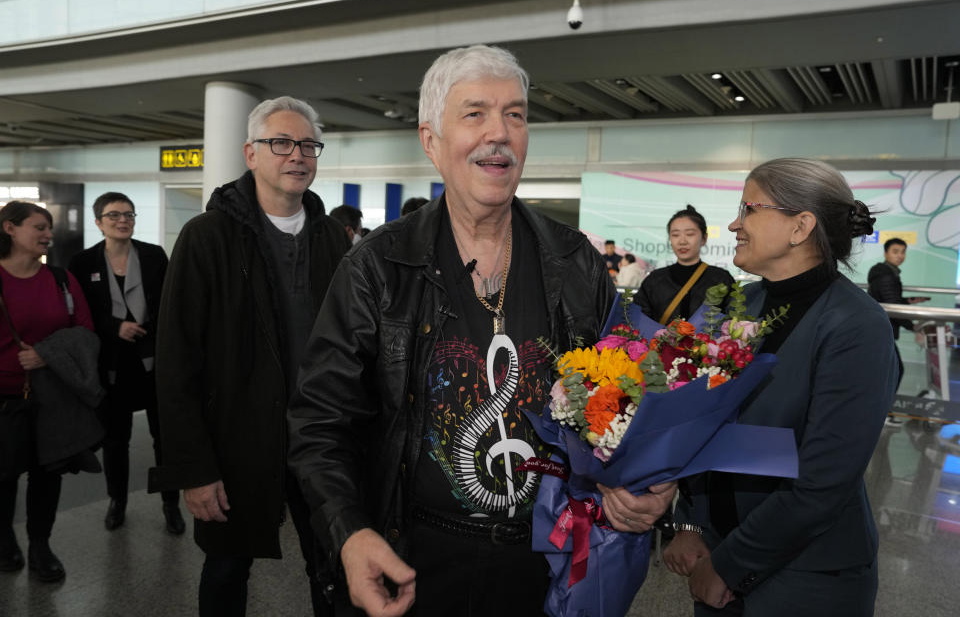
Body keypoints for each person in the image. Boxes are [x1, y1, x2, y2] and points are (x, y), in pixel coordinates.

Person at [287, 44, 676, 617]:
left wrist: (651, 483)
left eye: (515, 115)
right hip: (417, 561)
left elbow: (629, 397)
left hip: (548, 562)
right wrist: (349, 533)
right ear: (431, 141)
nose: (499, 132)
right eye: (475, 114)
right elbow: (320, 421)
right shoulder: (378, 266)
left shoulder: (575, 262)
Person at [663, 158, 898, 616]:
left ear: (800, 227)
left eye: (748, 208)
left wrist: (731, 566)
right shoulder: (737, 305)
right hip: (713, 551)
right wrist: (687, 523)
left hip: (805, 579)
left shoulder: (856, 325)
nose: (734, 224)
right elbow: (695, 426)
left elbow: (823, 482)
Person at [147, 96, 351, 616]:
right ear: (250, 154)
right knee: (226, 570)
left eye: (308, 145)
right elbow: (176, 363)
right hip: (234, 439)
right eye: (280, 143)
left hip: (320, 439)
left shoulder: (332, 238)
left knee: (334, 568)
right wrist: (192, 469)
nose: (297, 155)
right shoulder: (208, 237)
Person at [69, 192, 184, 535]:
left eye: (129, 215)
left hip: (153, 361)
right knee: (115, 440)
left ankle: (171, 504)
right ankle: (117, 501)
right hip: (112, 364)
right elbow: (82, 311)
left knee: (165, 439)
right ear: (98, 222)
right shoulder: (83, 262)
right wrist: (113, 327)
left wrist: (149, 330)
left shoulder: (152, 256)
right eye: (115, 215)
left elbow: (168, 302)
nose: (123, 220)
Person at [0, 201, 97, 583]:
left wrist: (46, 354)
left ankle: (41, 545)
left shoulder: (60, 280)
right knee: (3, 476)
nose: (47, 235)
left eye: (49, 228)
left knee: (47, 474)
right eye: (38, 227)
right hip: (4, 398)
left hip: (52, 398)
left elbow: (86, 332)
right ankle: (4, 537)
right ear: (9, 228)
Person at [633, 204, 734, 324]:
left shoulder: (720, 279)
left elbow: (731, 321)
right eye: (675, 235)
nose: (682, 241)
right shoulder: (654, 280)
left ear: (704, 238)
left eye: (690, 234)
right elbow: (638, 320)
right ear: (670, 239)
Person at [867, 237, 927, 340]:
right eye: (895, 252)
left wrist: (907, 301)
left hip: (880, 324)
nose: (900, 256)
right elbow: (893, 306)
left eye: (903, 252)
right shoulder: (885, 275)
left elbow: (887, 299)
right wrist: (912, 326)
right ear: (885, 253)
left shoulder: (887, 272)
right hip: (882, 327)